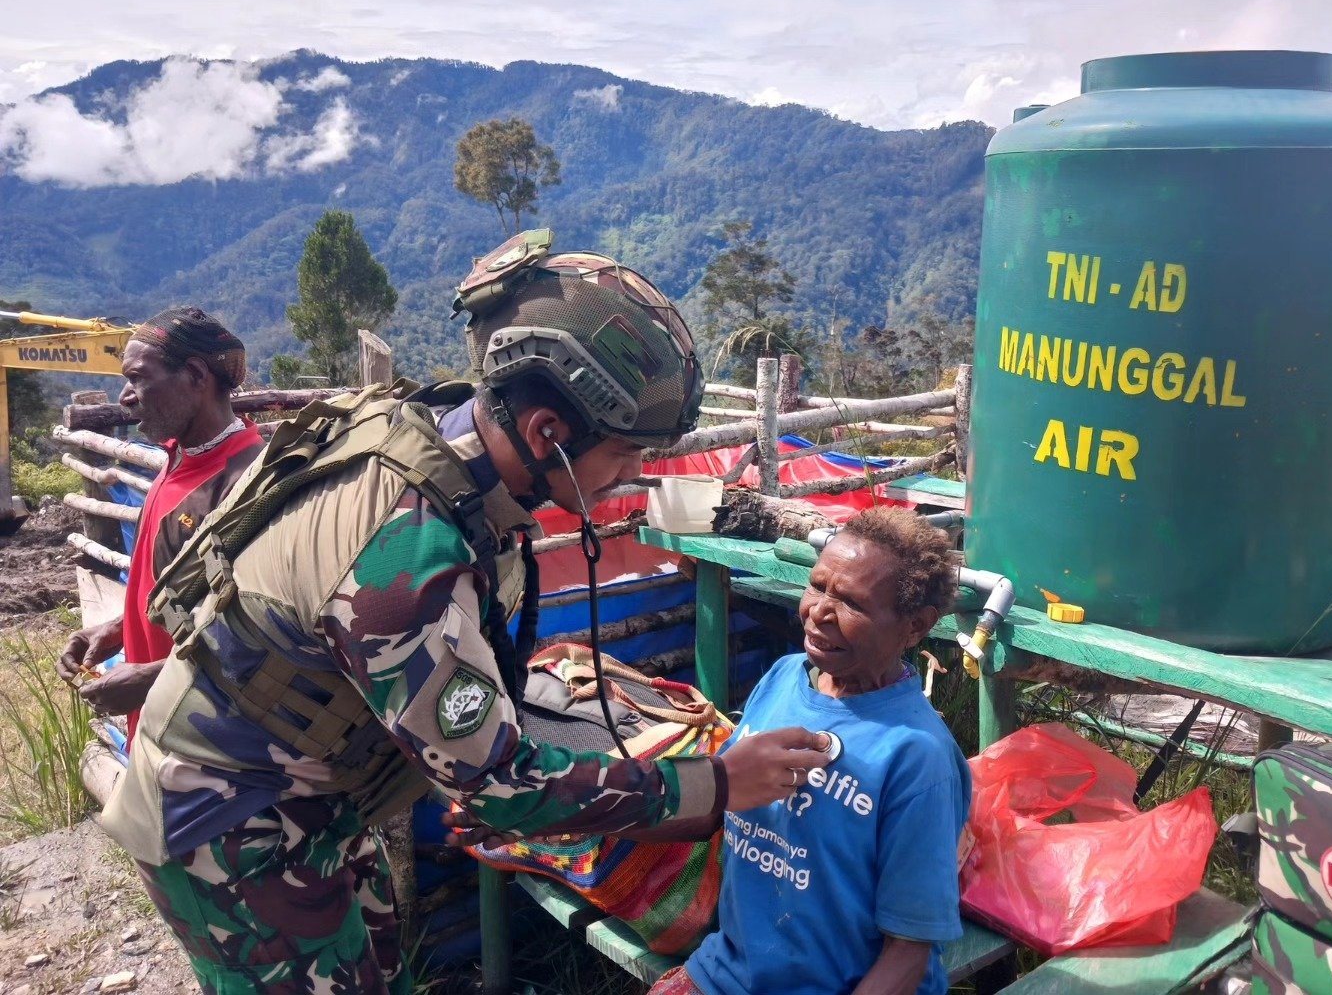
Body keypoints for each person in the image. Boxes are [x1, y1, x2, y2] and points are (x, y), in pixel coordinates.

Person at [98, 230, 830, 995]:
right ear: (549, 430)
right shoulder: (402, 554)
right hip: (228, 827)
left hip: (314, 797)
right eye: (621, 455)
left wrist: (494, 779)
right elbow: (499, 785)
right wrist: (718, 782)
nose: (631, 479)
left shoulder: (443, 443)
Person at [649, 507, 972, 995]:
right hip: (729, 974)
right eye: (818, 586)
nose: (818, 611)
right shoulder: (784, 678)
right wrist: (600, 805)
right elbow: (717, 801)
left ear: (915, 625)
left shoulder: (916, 757)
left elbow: (908, 951)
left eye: (852, 603)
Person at [57, 307, 261, 744]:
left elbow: (261, 634)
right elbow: (179, 592)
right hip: (162, 735)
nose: (127, 396)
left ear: (194, 374)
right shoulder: (178, 458)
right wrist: (118, 627)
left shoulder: (248, 482)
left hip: (209, 750)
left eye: (139, 378)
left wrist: (151, 678)